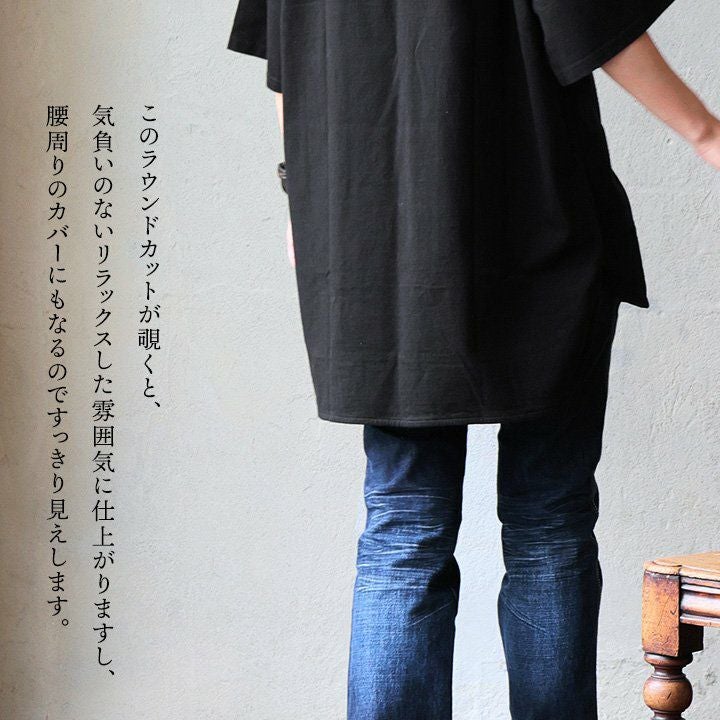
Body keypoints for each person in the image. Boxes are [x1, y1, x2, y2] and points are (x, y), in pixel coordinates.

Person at [227, 1, 720, 717]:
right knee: (548, 522)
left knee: (403, 526)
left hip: (374, 238)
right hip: (531, 219)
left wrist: (301, 194)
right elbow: (591, 19)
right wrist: (708, 134)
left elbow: (288, 53)